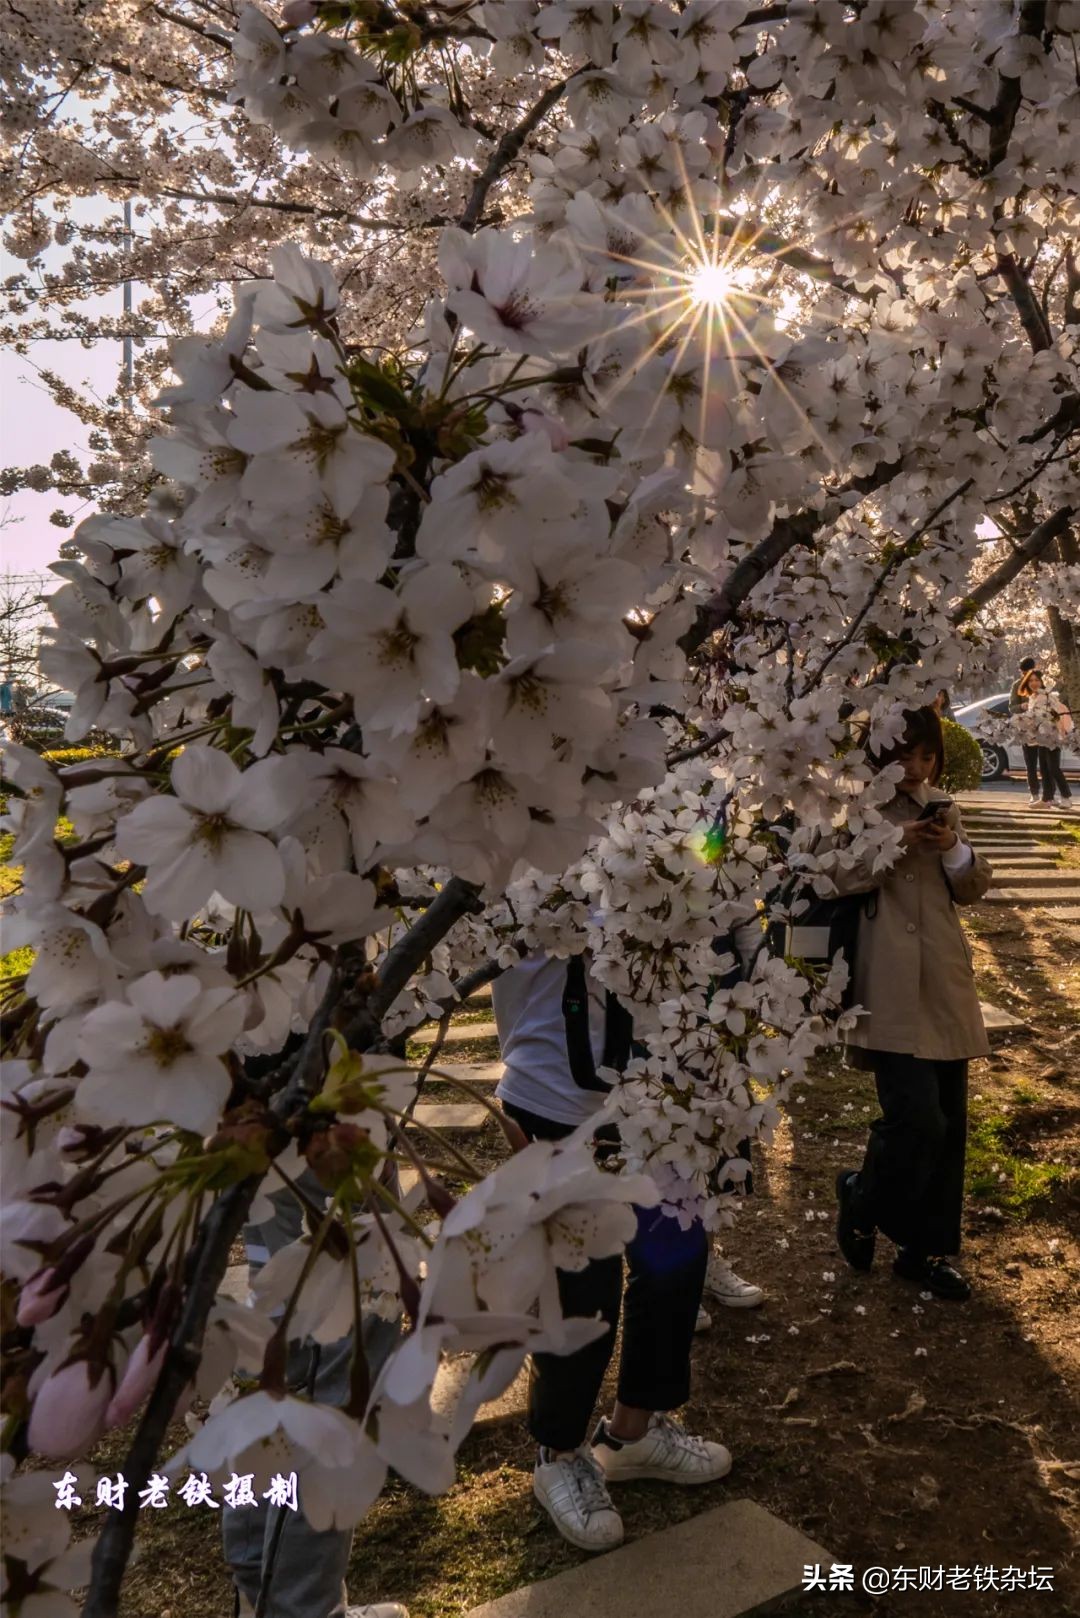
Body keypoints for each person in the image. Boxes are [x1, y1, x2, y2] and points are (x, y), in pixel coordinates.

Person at [492, 950, 732, 1553]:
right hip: (555, 1097)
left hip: (661, 1093)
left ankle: (633, 1432)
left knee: (676, 1261)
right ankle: (559, 1453)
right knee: (582, 1288)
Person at [830, 706, 992, 1302]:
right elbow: (832, 876)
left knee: (948, 1123)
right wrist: (896, 840)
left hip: (943, 981)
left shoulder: (943, 805)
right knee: (916, 1118)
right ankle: (862, 1196)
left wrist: (953, 849)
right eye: (906, 756)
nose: (918, 768)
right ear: (879, 752)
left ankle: (924, 1251)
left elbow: (974, 888)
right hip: (887, 982)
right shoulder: (852, 806)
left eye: (927, 757)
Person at [223, 1170, 408, 1618]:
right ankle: (300, 1607)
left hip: (280, 1152)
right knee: (337, 1383)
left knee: (283, 1331)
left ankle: (261, 1587)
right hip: (329, 1154)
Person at [1016, 669, 1074, 808]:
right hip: (1041, 738)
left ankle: (1066, 797)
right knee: (1044, 768)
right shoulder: (1033, 697)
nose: (1034, 683)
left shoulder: (1047, 696)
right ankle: (1047, 799)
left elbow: (1055, 715)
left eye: (1037, 680)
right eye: (1031, 680)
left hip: (1052, 737)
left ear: (1042, 682)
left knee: (1053, 768)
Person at [1009, 655, 1041, 803]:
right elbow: (1012, 707)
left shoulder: (1041, 681)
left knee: (1047, 764)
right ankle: (1034, 793)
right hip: (1026, 729)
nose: (1027, 676)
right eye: (1023, 673)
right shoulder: (1017, 685)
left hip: (1043, 728)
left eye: (1028, 672)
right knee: (1031, 764)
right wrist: (1022, 706)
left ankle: (1049, 795)